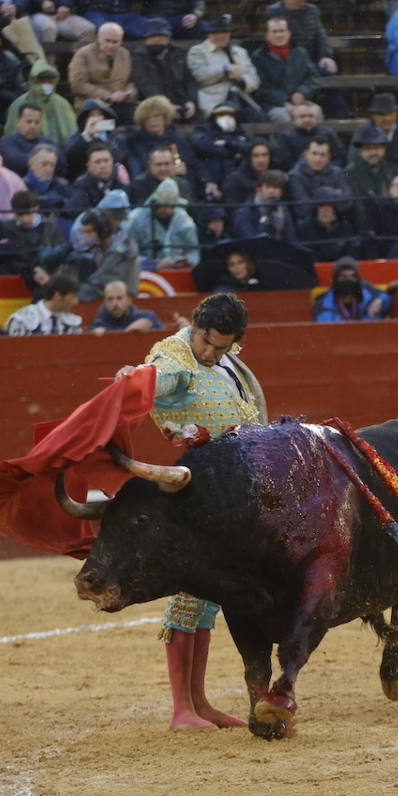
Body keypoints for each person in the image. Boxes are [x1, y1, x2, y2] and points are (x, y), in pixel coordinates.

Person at [111, 294, 263, 730]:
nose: (210, 353)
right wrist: (135, 378)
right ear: (195, 326)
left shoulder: (229, 359)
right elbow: (158, 378)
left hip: (231, 491)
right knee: (188, 594)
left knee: (209, 597)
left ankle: (200, 702)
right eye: (206, 342)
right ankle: (182, 708)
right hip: (193, 491)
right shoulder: (175, 354)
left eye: (221, 346)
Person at [186, 15, 262, 122]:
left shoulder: (240, 52)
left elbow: (255, 80)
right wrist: (224, 69)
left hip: (242, 98)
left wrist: (240, 79)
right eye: (216, 33)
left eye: (224, 33)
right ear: (209, 35)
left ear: (229, 34)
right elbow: (199, 76)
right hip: (215, 101)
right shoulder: (197, 51)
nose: (220, 36)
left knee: (259, 117)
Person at [251, 17, 319, 125]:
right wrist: (284, 102)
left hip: (301, 102)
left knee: (316, 112)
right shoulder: (258, 57)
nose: (279, 35)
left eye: (282, 31)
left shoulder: (300, 53)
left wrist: (302, 92)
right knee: (284, 118)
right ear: (267, 35)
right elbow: (261, 88)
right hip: (273, 105)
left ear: (289, 33)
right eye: (275, 32)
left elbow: (312, 77)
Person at [69, 22, 138, 125]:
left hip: (120, 103)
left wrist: (129, 92)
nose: (110, 45)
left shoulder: (125, 54)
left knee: (138, 116)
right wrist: (108, 95)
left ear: (121, 42)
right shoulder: (83, 54)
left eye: (115, 42)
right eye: (107, 41)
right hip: (92, 105)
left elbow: (130, 80)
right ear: (98, 38)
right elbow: (77, 84)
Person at [129, 178, 198, 271]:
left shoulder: (184, 221)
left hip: (177, 272)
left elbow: (194, 252)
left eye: (170, 206)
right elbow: (129, 253)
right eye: (162, 205)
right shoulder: (136, 219)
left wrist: (180, 261)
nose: (165, 210)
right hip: (145, 272)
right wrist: (151, 264)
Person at [6, 62, 78, 149]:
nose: (46, 84)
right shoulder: (19, 104)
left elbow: (73, 132)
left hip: (61, 153)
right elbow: (11, 134)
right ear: (33, 81)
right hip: (30, 151)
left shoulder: (62, 103)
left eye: (50, 81)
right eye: (42, 81)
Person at [6, 274, 82, 335]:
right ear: (57, 296)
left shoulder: (72, 321)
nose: (75, 302)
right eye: (72, 297)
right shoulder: (22, 318)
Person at [297, 191, 360, 262]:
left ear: (335, 209)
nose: (325, 211)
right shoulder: (304, 228)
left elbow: (352, 254)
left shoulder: (345, 226)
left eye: (329, 206)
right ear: (316, 209)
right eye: (321, 206)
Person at [90, 280, 162, 334]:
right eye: (110, 299)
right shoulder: (98, 324)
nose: (115, 303)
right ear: (105, 302)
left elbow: (165, 341)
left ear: (129, 300)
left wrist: (152, 327)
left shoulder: (147, 317)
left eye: (119, 298)